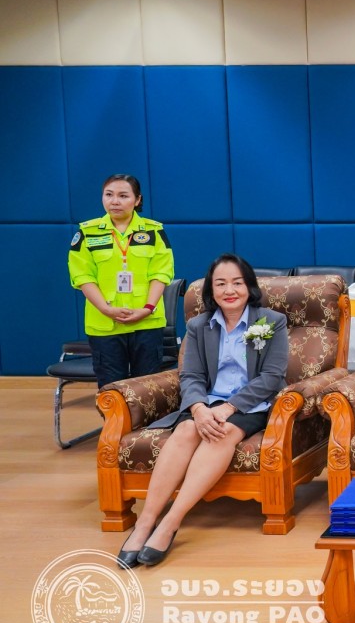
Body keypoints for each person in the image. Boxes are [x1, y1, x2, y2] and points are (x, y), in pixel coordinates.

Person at [116, 254, 288, 568]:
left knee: (222, 434)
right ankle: (144, 523)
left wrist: (230, 407)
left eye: (237, 282)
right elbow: (191, 375)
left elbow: (272, 377)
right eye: (220, 284)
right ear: (212, 290)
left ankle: (170, 523)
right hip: (207, 400)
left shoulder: (270, 321)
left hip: (251, 402)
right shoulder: (199, 325)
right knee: (185, 430)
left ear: (249, 286)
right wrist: (198, 408)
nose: (229, 290)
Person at [68, 173, 174, 389]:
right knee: (111, 389)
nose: (114, 201)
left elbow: (161, 273)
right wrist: (105, 309)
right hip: (104, 323)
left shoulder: (154, 231)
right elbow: (82, 276)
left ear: (137, 199)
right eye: (109, 195)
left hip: (146, 321)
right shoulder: (87, 232)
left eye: (123, 196)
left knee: (148, 389)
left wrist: (147, 308)